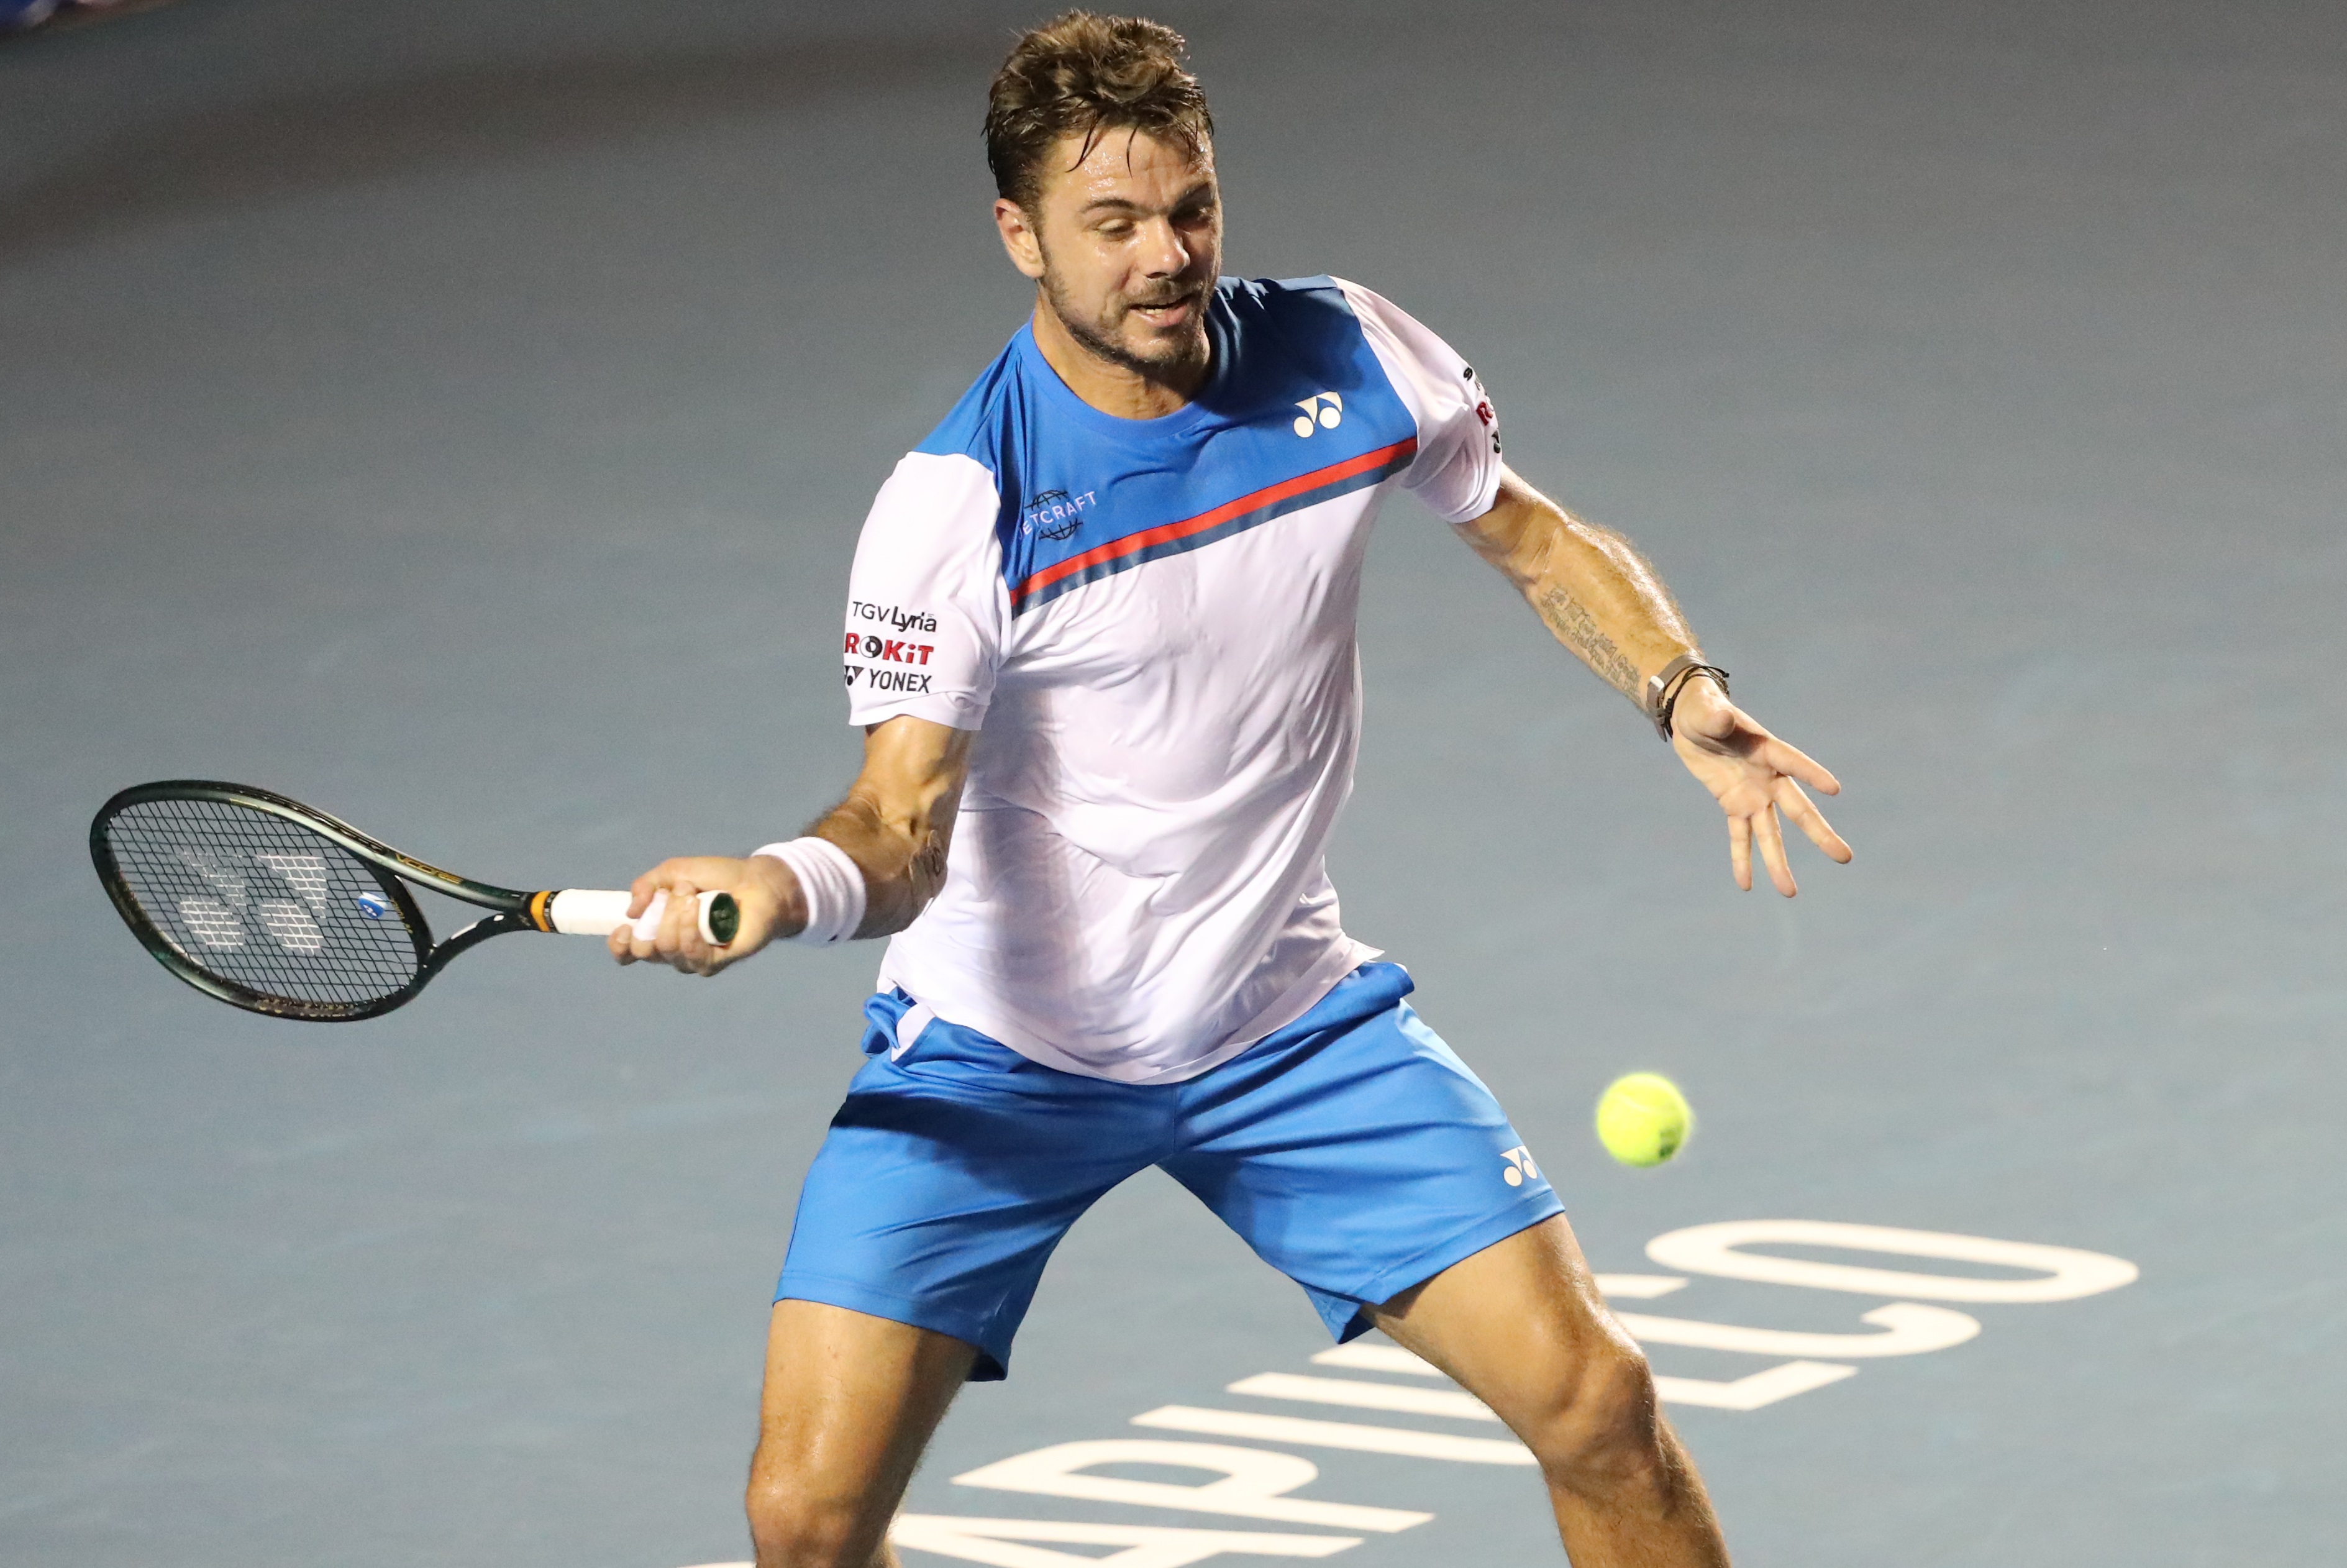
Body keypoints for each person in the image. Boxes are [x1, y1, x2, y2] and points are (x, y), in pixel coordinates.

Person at [616, 12, 1850, 1566]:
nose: (1168, 256)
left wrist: (1678, 685)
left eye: (1190, 207)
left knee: (1601, 1404)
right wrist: (783, 883)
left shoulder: (1349, 349)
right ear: (1019, 235)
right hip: (1001, 1056)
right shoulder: (959, 502)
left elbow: (1532, 534)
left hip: (1277, 1019)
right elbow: (897, 828)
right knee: (803, 1519)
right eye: (1112, 224)